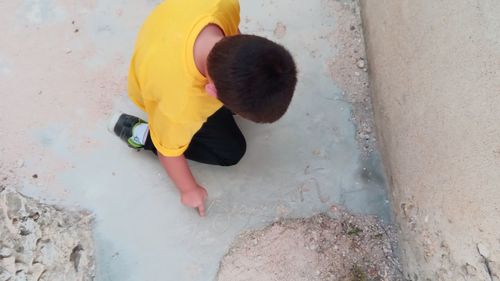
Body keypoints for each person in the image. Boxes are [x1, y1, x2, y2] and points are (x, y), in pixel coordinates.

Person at [109, 0, 297, 216]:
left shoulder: (222, 5)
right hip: (160, 90)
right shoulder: (181, 107)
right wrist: (189, 190)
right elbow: (168, 154)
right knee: (232, 152)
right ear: (213, 94)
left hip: (167, 37)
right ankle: (146, 135)